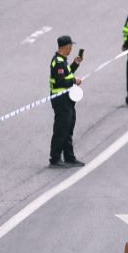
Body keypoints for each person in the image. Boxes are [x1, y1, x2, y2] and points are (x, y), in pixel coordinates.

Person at [49, 36, 84, 168]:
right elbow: (60, 81)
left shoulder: (62, 61)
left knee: (68, 128)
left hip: (67, 100)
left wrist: (75, 64)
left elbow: (66, 74)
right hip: (61, 101)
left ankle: (69, 157)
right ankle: (55, 158)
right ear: (68, 46)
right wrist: (75, 81)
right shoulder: (58, 62)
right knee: (61, 129)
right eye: (71, 46)